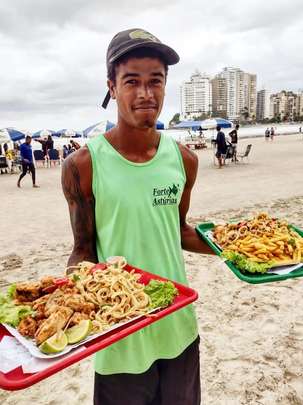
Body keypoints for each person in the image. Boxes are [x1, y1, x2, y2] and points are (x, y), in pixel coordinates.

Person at [62, 28, 215, 405]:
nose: (145, 93)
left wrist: (231, 249)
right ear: (112, 87)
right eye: (132, 81)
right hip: (119, 340)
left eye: (155, 81)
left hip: (178, 329)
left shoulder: (185, 160)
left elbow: (177, 231)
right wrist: (71, 292)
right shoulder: (82, 165)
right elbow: (83, 250)